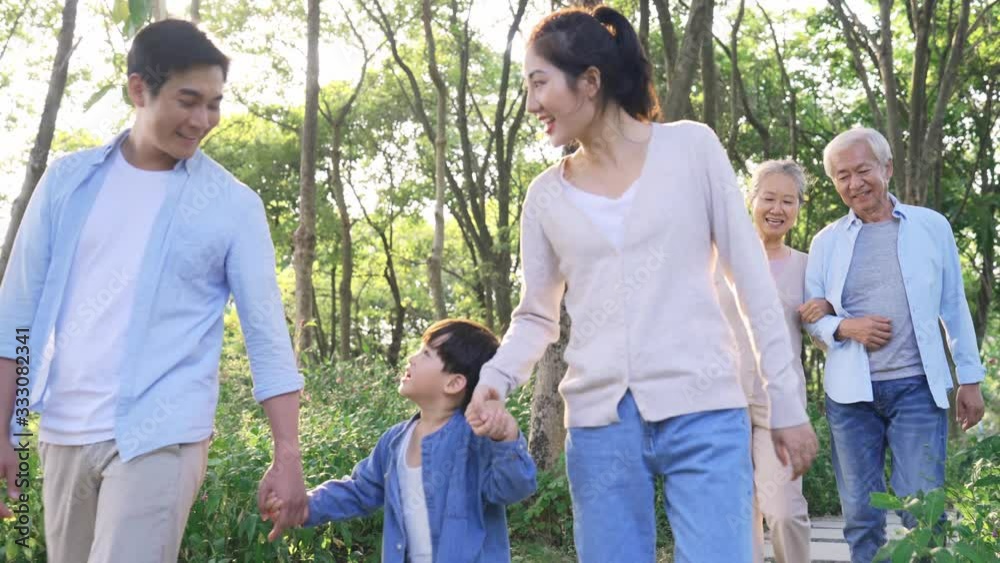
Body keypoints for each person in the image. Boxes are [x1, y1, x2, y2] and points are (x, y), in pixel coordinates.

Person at [464, 6, 818, 562]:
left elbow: (752, 285)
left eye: (538, 83)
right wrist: (496, 377)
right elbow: (536, 315)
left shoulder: (691, 149)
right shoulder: (545, 196)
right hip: (600, 426)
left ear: (590, 81)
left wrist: (786, 404)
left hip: (705, 412)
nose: (531, 104)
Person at [0, 19, 307, 561]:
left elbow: (267, 338)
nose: (203, 120)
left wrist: (288, 456)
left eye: (214, 104)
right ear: (138, 89)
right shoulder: (67, 182)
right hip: (63, 430)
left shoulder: (232, 205)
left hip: (163, 433)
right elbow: (16, 315)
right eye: (188, 101)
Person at [804, 127, 987, 562]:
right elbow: (813, 318)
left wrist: (970, 379)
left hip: (917, 389)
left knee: (923, 508)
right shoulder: (826, 241)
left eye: (863, 170)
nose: (854, 183)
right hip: (850, 395)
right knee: (860, 514)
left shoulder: (931, 227)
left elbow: (953, 305)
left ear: (886, 168)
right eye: (842, 176)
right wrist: (846, 328)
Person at [265, 319, 537, 562]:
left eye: (426, 353)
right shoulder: (395, 441)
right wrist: (305, 506)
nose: (412, 358)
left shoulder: (476, 438)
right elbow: (360, 490)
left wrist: (506, 439)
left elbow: (512, 489)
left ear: (454, 383)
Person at [717, 160, 831, 562]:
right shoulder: (719, 259)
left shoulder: (807, 267)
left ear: (799, 206)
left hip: (779, 404)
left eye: (788, 200)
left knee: (784, 511)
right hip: (721, 399)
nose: (777, 209)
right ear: (751, 200)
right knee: (736, 513)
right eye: (768, 198)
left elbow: (824, 335)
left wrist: (826, 309)